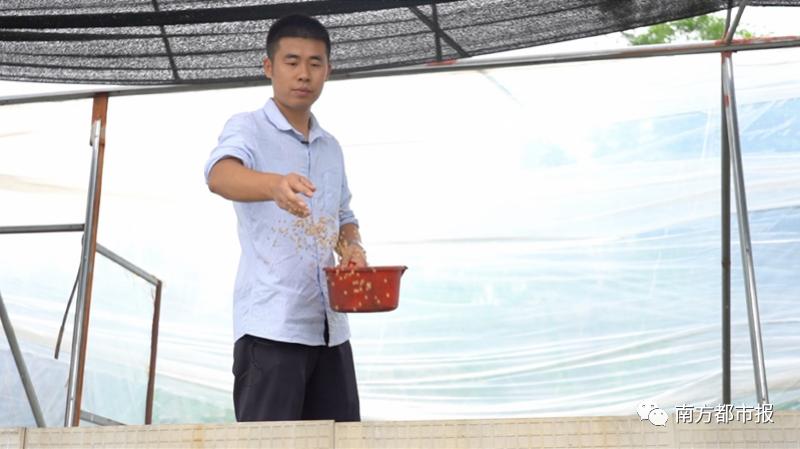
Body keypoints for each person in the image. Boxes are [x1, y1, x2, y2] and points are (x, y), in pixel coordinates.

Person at [204, 14, 366, 422]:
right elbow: (219, 175)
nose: (303, 74)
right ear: (268, 67)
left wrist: (353, 247)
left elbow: (342, 214)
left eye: (315, 63)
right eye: (291, 62)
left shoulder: (331, 147)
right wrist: (274, 185)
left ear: (328, 70)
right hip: (271, 328)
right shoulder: (248, 127)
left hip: (330, 330)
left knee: (341, 441)